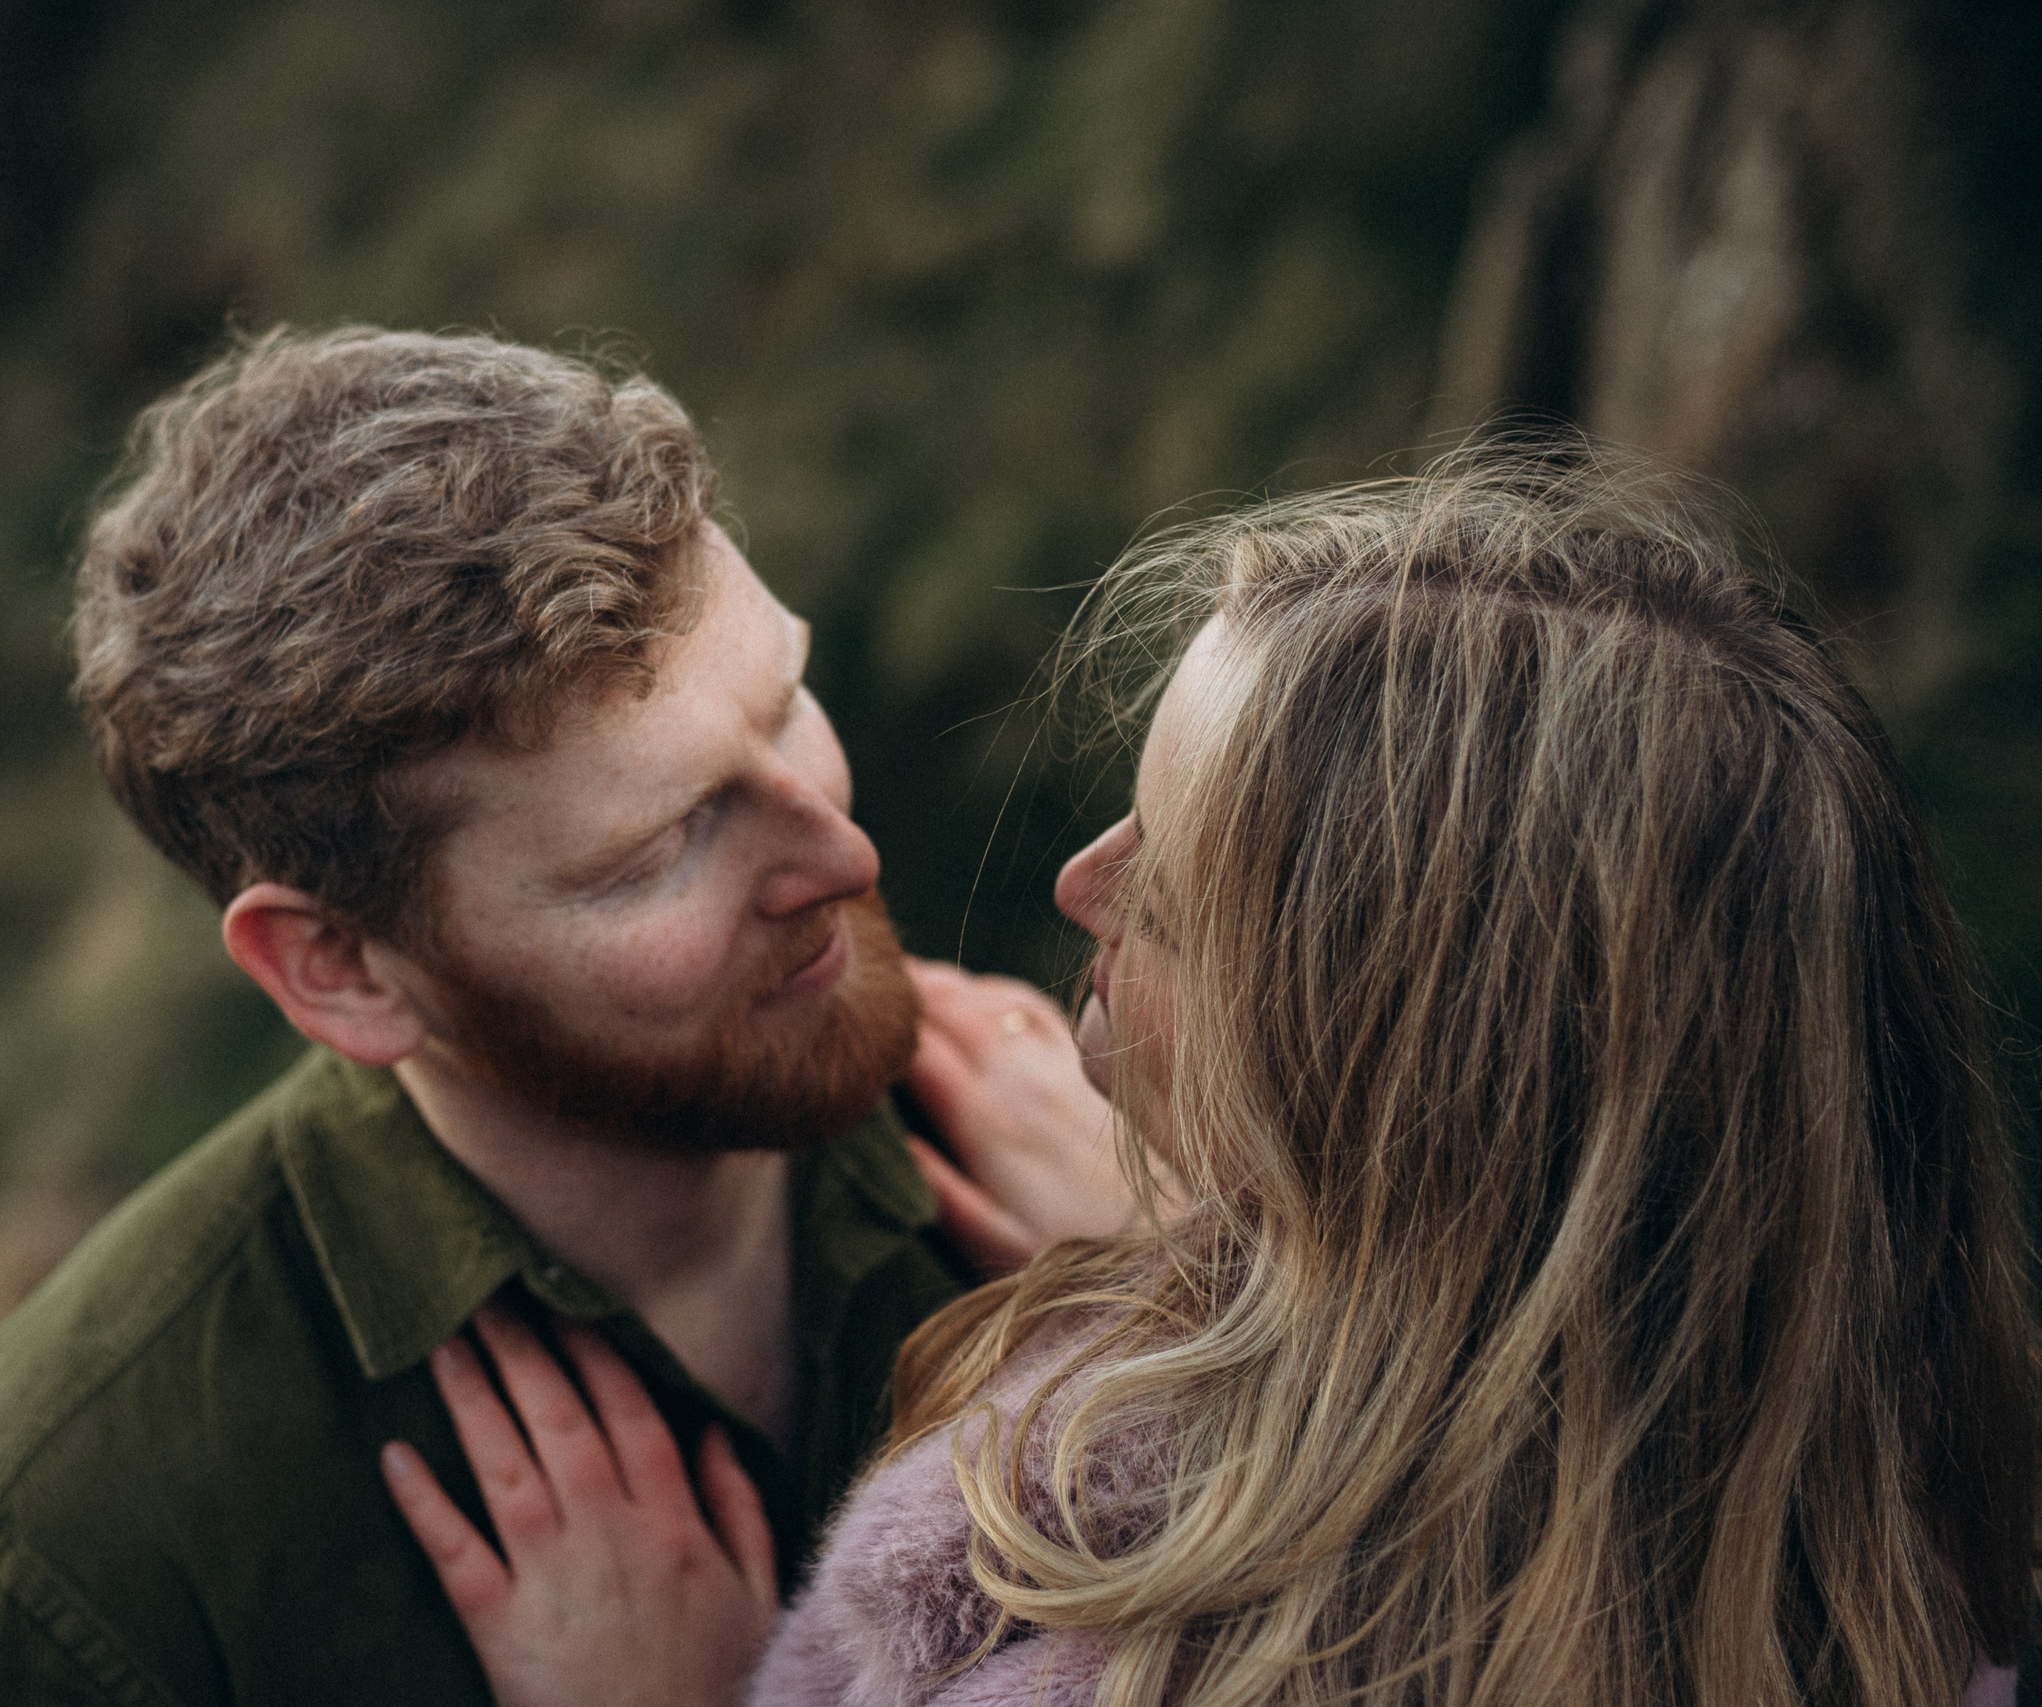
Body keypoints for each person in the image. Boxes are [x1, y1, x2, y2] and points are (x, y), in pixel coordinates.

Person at [384, 450, 2038, 1707]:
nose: (1079, 886)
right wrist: (1234, 1249)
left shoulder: (1096, 1648)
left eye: (1172, 886)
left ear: (1391, 1072)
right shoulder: (1898, 1534)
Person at [0, 325, 1127, 1707]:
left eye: (785, 701)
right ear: (341, 969)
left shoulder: (1103, 1162)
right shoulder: (57, 1570)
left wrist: (1216, 1302)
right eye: (656, 850)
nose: (842, 860)